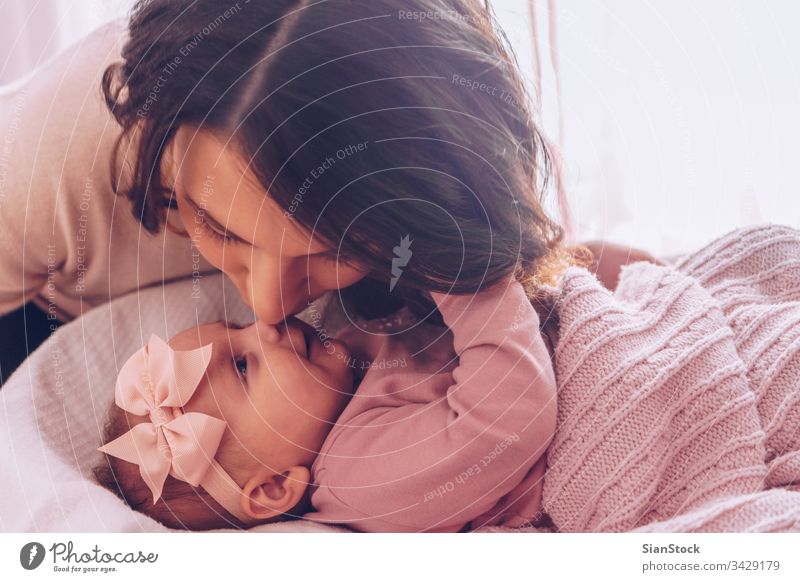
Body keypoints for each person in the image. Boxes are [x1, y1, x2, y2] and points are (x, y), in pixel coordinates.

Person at [0, 0, 653, 385]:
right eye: (219, 227)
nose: (265, 305)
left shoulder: (416, 194)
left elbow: (534, 274)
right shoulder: (38, 162)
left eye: (333, 248)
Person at [94, 272, 555, 532]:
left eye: (234, 325)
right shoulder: (357, 474)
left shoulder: (341, 360)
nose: (265, 325)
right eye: (242, 365)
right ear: (274, 488)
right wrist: (464, 273)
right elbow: (506, 417)